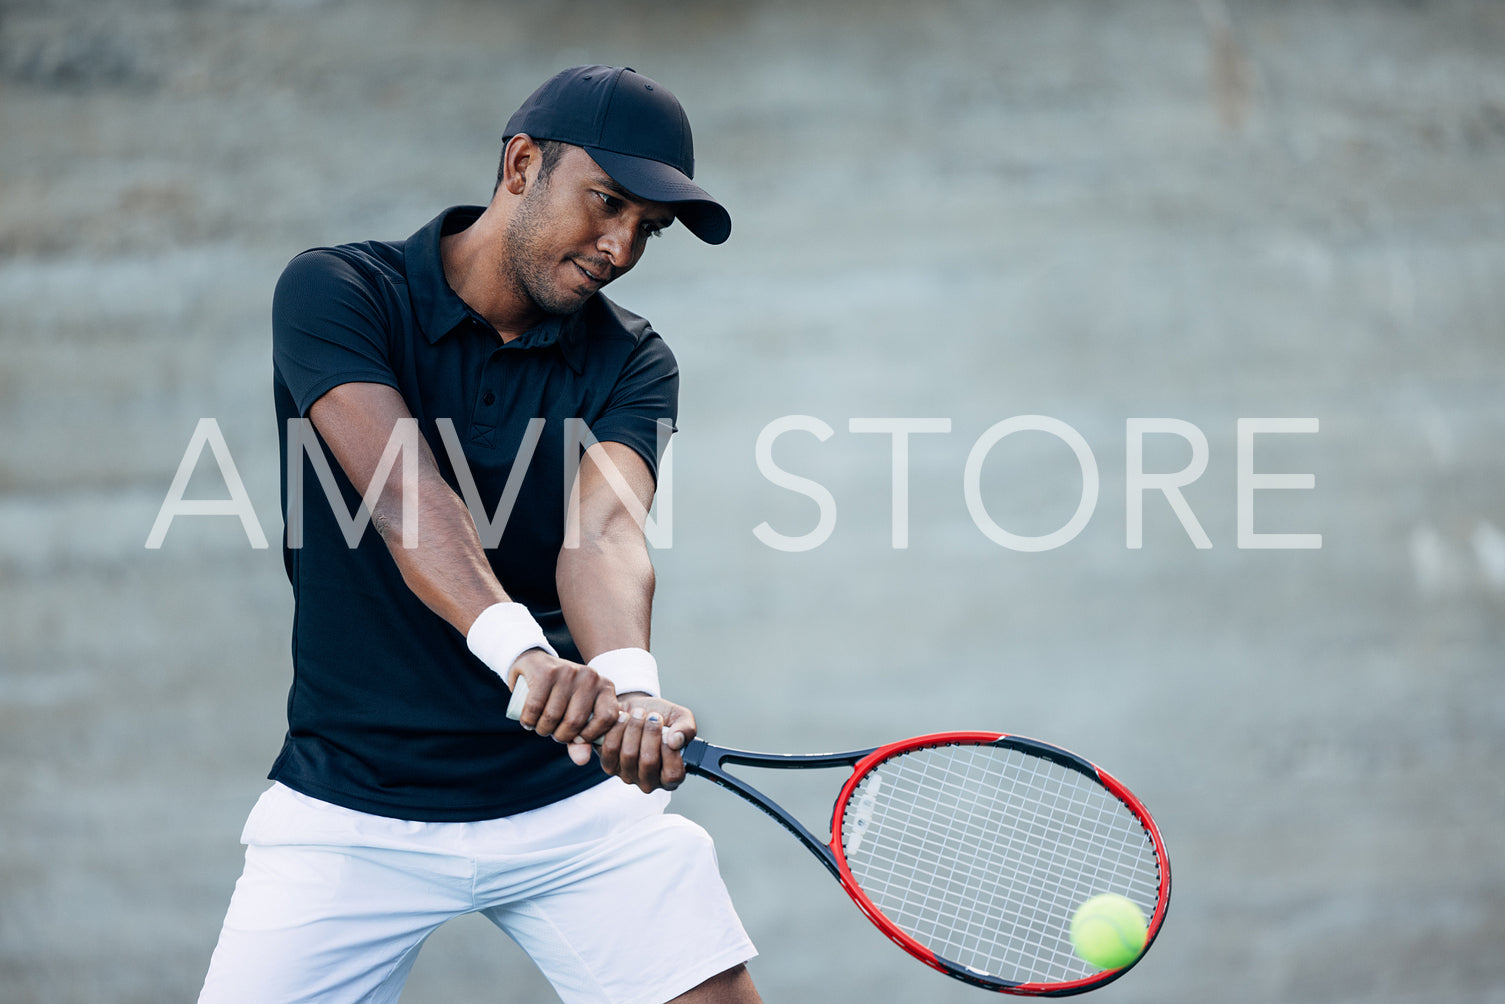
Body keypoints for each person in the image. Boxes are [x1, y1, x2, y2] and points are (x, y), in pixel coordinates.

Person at [199, 65, 762, 1004]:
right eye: (606, 203)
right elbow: (404, 495)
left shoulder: (633, 361)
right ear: (520, 164)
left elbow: (605, 534)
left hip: (570, 802)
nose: (620, 246)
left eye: (647, 230)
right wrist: (524, 656)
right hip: (351, 804)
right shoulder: (339, 291)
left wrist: (629, 687)